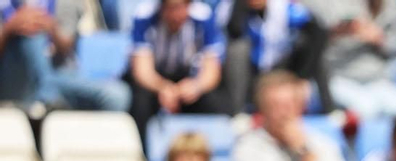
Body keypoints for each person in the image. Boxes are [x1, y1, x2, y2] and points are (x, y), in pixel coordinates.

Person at [0, 0, 131, 112]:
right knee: (30, 36)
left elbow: (65, 46)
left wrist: (49, 26)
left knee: (117, 96)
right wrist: (10, 28)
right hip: (12, 79)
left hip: (59, 76)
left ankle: (48, 98)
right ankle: (47, 98)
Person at [127, 0, 228, 136]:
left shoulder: (203, 17)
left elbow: (212, 71)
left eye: (181, 8)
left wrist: (196, 86)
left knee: (214, 102)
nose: (176, 15)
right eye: (171, 8)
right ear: (161, 7)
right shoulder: (144, 15)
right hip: (155, 81)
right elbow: (142, 71)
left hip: (188, 79)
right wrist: (163, 88)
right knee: (140, 102)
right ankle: (143, 151)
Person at [220, 0, 327, 114]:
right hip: (251, 71)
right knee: (237, 50)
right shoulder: (234, 8)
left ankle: (329, 109)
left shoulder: (286, 9)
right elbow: (233, 31)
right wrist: (240, 7)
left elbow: (318, 33)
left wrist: (302, 76)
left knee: (318, 59)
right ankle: (237, 111)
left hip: (280, 66)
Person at [311, 0, 396, 118]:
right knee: (367, 108)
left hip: (377, 79)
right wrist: (341, 30)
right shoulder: (321, 3)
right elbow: (311, 41)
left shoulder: (389, 3)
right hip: (338, 77)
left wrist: (378, 38)